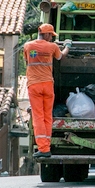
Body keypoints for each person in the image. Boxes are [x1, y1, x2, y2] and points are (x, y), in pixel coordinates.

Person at [24, 23, 72, 159]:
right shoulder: (53, 47)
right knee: (47, 117)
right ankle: (47, 145)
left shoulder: (28, 46)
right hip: (47, 85)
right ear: (45, 34)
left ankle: (44, 148)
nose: (51, 37)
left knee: (38, 117)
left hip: (34, 85)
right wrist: (68, 45)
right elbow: (61, 57)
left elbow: (27, 61)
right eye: (50, 35)